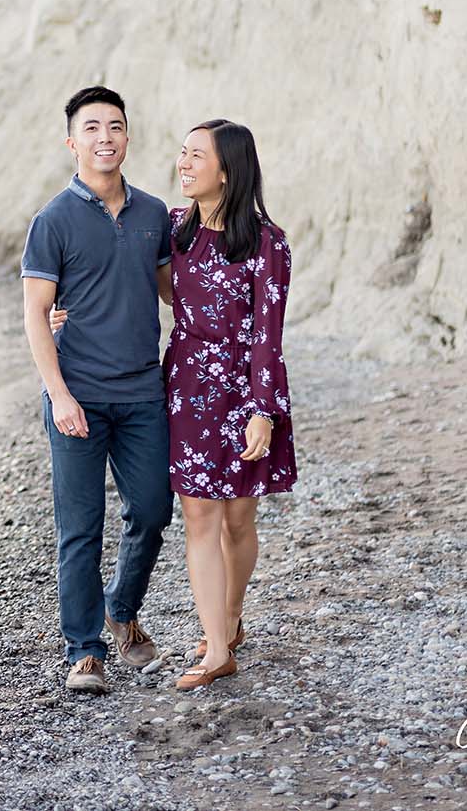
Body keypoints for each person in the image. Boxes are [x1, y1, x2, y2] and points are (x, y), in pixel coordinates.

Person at [19, 85, 175, 693]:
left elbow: (170, 291)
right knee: (80, 527)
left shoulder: (154, 214)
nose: (104, 137)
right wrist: (58, 394)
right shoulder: (53, 220)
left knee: (153, 510)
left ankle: (121, 608)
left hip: (142, 392)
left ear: (128, 138)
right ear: (72, 141)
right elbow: (36, 314)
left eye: (115, 126)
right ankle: (85, 649)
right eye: (91, 128)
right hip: (76, 391)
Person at [162, 119, 296, 690]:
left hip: (245, 387)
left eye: (197, 156)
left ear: (227, 170)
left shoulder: (267, 244)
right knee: (199, 515)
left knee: (239, 518)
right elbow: (134, 277)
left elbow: (269, 333)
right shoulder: (172, 228)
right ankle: (217, 648)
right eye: (183, 154)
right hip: (189, 382)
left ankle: (232, 618)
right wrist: (62, 312)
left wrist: (263, 409)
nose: (184, 164)